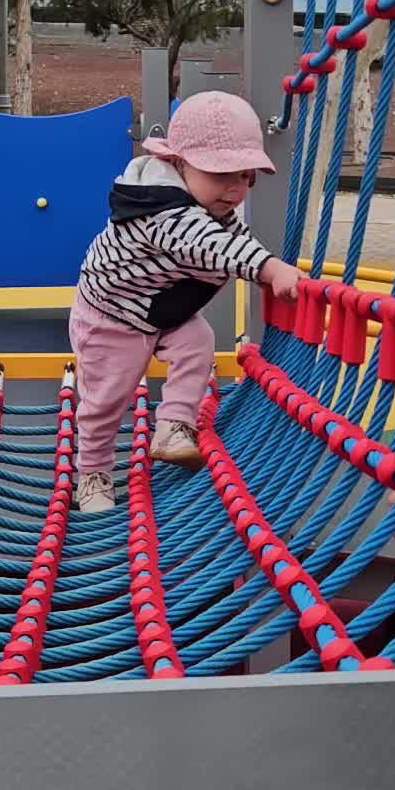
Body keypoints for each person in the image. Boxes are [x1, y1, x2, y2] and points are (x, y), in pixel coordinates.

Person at [71, 91, 302, 514]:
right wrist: (269, 269)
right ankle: (92, 474)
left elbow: (235, 238)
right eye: (220, 174)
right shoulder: (159, 206)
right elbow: (209, 245)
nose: (234, 188)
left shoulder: (207, 201)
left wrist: (267, 266)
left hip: (161, 310)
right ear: (179, 163)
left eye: (245, 176)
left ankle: (173, 427)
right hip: (112, 316)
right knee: (106, 400)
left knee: (199, 341)